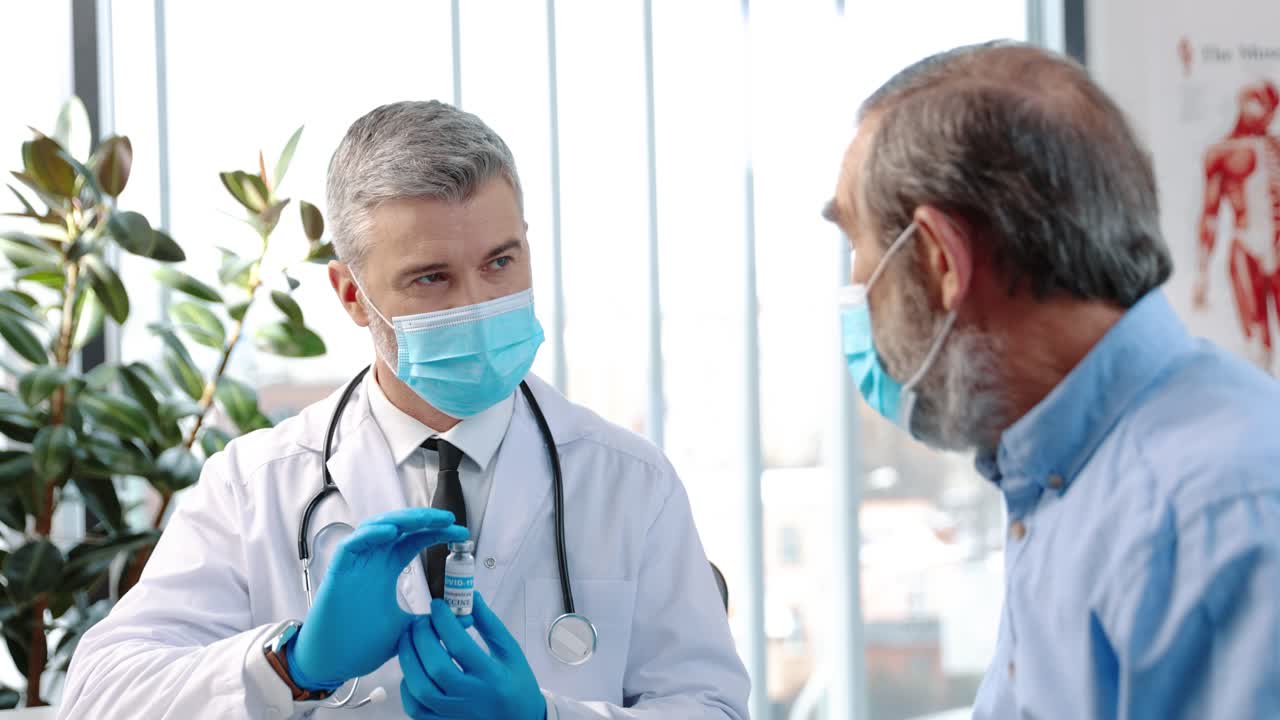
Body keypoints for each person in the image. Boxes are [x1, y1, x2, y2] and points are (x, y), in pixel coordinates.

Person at [59, 101, 749, 720]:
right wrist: (291, 665)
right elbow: (97, 698)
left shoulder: (630, 482)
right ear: (352, 295)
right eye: (431, 278)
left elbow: (711, 707)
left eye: (500, 262)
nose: (476, 302)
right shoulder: (256, 485)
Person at [824, 42, 1280, 719]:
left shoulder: (1208, 524)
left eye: (857, 250)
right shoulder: (1062, 482)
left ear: (938, 258)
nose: (856, 293)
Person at [1193, 79, 1280, 376]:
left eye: (1271, 106)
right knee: (1257, 343)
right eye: (1258, 102)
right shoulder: (1221, 154)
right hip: (1246, 247)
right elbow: (1210, 214)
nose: (1266, 112)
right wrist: (1202, 273)